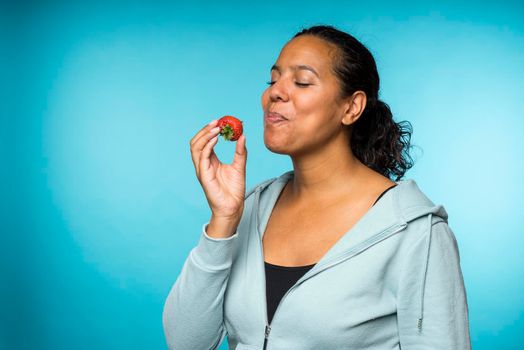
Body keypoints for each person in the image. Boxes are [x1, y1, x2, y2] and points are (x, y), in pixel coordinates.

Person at [162, 25, 471, 349]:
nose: (275, 93)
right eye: (273, 80)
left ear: (351, 107)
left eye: (302, 81)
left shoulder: (416, 233)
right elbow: (186, 344)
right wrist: (223, 221)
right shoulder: (250, 209)